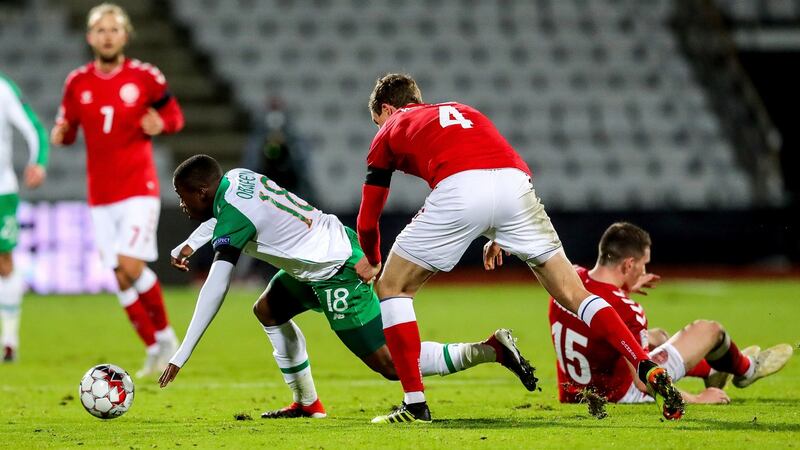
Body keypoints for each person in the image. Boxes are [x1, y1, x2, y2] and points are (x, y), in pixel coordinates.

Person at [355, 73, 683, 424]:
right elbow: (492, 173)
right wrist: (499, 230)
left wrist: (373, 260)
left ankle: (415, 405)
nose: (379, 128)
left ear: (387, 109)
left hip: (459, 187)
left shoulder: (390, 129)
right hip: (515, 184)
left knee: (393, 287)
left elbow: (367, 220)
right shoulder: (464, 110)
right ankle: (643, 362)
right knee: (574, 292)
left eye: (377, 121)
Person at [158, 155, 538, 419]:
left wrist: (182, 351)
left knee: (392, 365)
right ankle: (307, 403)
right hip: (322, 249)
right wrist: (194, 241)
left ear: (203, 192)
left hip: (336, 270)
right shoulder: (237, 178)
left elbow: (216, 286)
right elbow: (226, 217)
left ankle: (490, 351)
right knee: (268, 309)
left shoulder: (232, 213)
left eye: (183, 196)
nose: (181, 204)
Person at [50, 3, 184, 377]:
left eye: (114, 29)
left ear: (125, 35)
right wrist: (60, 135)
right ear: (90, 36)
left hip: (138, 187)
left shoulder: (145, 77)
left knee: (130, 265)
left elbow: (174, 115)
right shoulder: (77, 82)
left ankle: (167, 338)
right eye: (100, 30)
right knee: (119, 275)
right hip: (100, 195)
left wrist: (163, 124)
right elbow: (68, 129)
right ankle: (154, 347)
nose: (107, 36)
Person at [530, 222, 793, 406]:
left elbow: (601, 320)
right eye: (642, 265)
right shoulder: (627, 309)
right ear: (629, 264)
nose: (644, 271)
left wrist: (623, 288)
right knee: (709, 329)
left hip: (574, 392)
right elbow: (645, 383)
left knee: (658, 336)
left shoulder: (570, 280)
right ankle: (746, 370)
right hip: (622, 394)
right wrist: (696, 400)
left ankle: (710, 371)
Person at [0, 71, 48, 362]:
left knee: (4, 262)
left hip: (1, 192)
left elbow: (34, 129)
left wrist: (38, 162)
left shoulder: (3, 88)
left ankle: (9, 340)